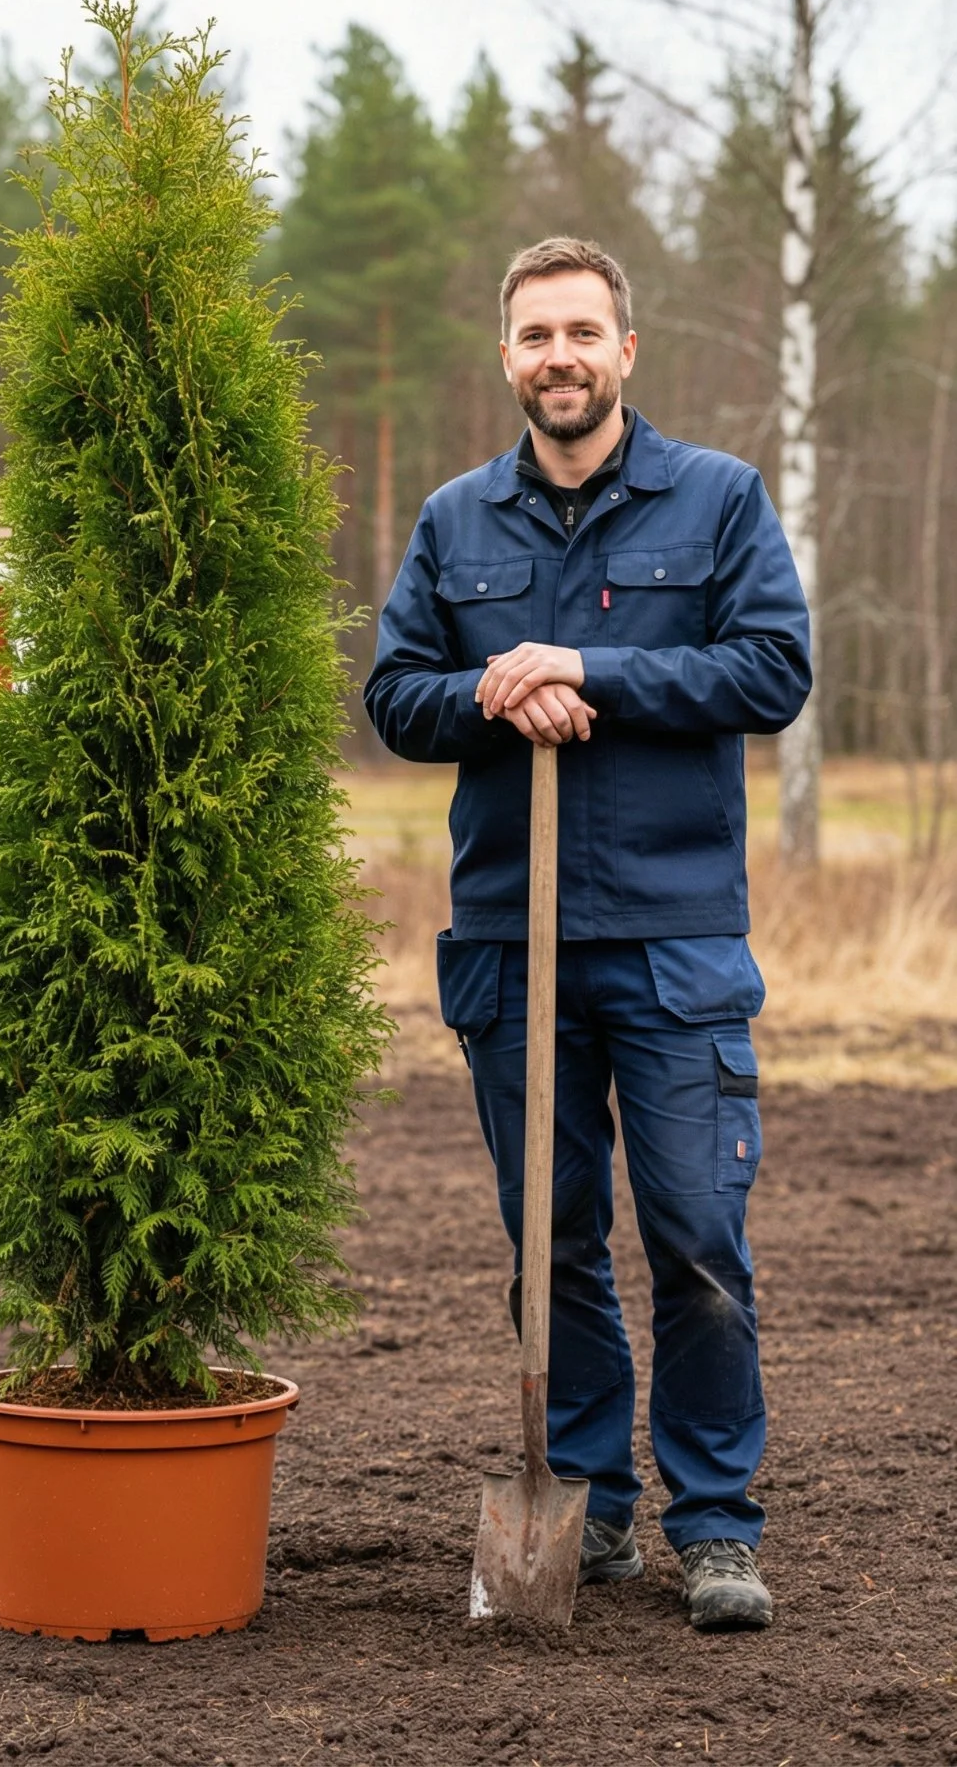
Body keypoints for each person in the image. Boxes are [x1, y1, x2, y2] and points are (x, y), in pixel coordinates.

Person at [364, 235, 811, 1631]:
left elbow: (772, 668)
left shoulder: (720, 501)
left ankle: (720, 1528)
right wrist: (498, 691)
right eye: (534, 335)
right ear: (506, 357)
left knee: (693, 1241)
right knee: (547, 1244)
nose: (558, 356)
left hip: (673, 941)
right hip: (513, 940)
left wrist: (589, 669)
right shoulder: (455, 524)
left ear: (626, 349)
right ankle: (594, 1505)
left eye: (582, 332)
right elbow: (393, 697)